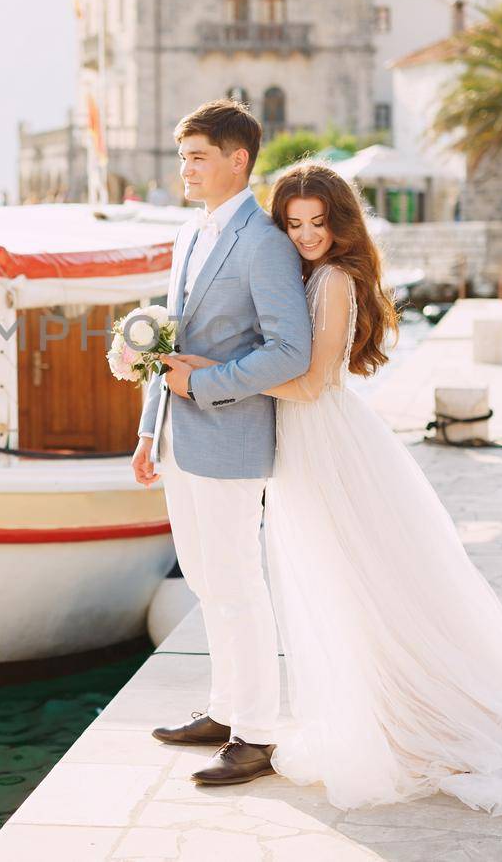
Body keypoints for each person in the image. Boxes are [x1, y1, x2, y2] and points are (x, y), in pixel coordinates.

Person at [165, 162, 502, 814]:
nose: (305, 236)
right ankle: (391, 714)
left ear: (340, 224)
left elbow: (308, 383)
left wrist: (211, 375)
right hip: (305, 447)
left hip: (328, 444)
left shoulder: (332, 279)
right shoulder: (305, 273)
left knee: (369, 584)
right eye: (294, 224)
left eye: (318, 223)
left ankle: (442, 718)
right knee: (347, 587)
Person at [131, 99, 311, 786]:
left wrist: (204, 389)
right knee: (208, 584)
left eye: (197, 156)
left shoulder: (264, 242)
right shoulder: (188, 234)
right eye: (182, 156)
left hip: (231, 440)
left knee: (238, 586)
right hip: (179, 440)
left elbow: (289, 351)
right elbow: (170, 340)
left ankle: (258, 734)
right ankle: (224, 709)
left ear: (238, 160)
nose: (185, 169)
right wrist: (151, 428)